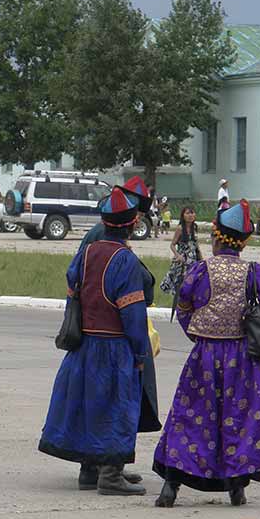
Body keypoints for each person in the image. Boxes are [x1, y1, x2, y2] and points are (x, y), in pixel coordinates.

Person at [152, 200, 260, 508]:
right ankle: (236, 488)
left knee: (190, 417)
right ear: (243, 243)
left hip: (205, 357)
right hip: (245, 361)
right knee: (240, 419)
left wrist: (201, 336)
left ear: (215, 238)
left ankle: (171, 487)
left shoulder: (200, 270)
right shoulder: (255, 273)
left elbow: (184, 310)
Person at [38, 189, 151, 495]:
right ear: (131, 223)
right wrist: (140, 352)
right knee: (118, 407)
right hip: (114, 348)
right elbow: (133, 314)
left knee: (89, 405)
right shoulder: (125, 259)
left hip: (85, 346)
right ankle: (111, 476)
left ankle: (88, 471)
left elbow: (72, 292)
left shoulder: (86, 253)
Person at [75, 175, 163, 488]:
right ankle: (107, 470)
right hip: (115, 336)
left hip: (96, 333)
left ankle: (95, 468)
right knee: (118, 402)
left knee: (96, 401)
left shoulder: (103, 235)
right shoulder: (111, 241)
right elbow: (127, 288)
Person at [159, 205, 203, 300]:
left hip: (193, 259)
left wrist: (201, 257)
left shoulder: (195, 227)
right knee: (180, 282)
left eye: (192, 213)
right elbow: (172, 245)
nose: (190, 215)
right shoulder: (180, 228)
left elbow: (196, 244)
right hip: (182, 260)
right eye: (187, 213)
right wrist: (178, 255)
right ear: (183, 216)